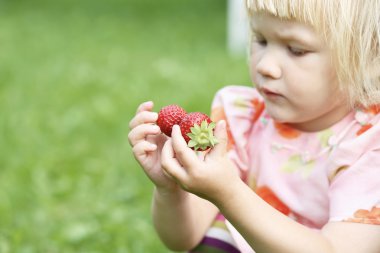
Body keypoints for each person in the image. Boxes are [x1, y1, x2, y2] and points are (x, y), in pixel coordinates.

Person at [128, 0, 380, 252]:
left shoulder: (369, 142)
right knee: (218, 232)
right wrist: (171, 189)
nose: (265, 66)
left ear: (369, 58)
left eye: (296, 49)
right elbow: (185, 238)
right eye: (260, 39)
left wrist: (229, 193)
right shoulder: (242, 117)